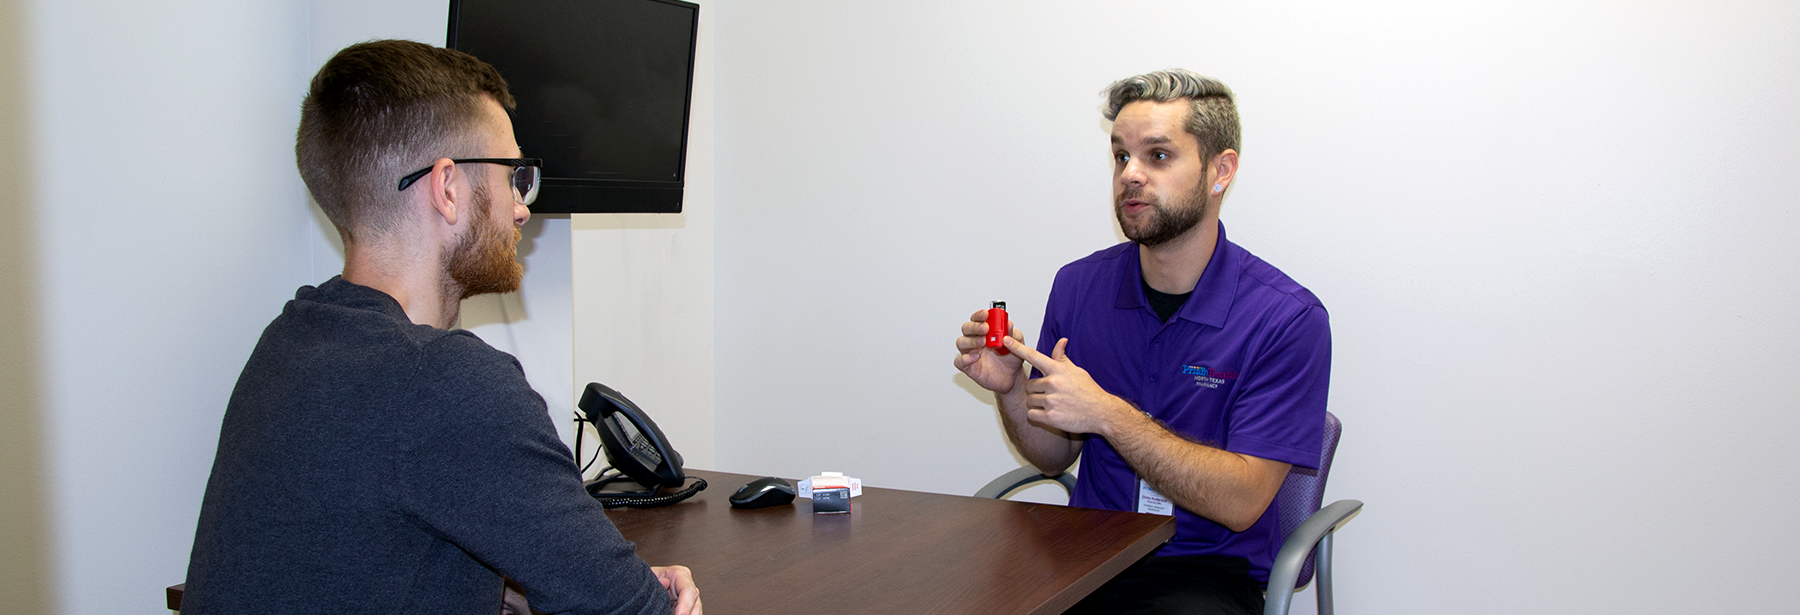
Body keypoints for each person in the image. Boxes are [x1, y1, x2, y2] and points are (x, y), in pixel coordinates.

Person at [182, 40, 700, 615]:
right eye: (513, 176)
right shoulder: (446, 379)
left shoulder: (288, 343)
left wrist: (505, 591)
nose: (522, 207)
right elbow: (635, 609)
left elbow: (350, 560)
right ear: (447, 188)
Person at [954, 69, 1330, 615]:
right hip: (1085, 558)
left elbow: (1242, 502)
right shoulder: (1079, 286)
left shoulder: (1286, 318)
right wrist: (1011, 391)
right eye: (1120, 156)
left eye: (1157, 156)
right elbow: (1055, 451)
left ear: (1220, 171)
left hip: (1204, 574)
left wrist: (1107, 414)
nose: (1130, 175)